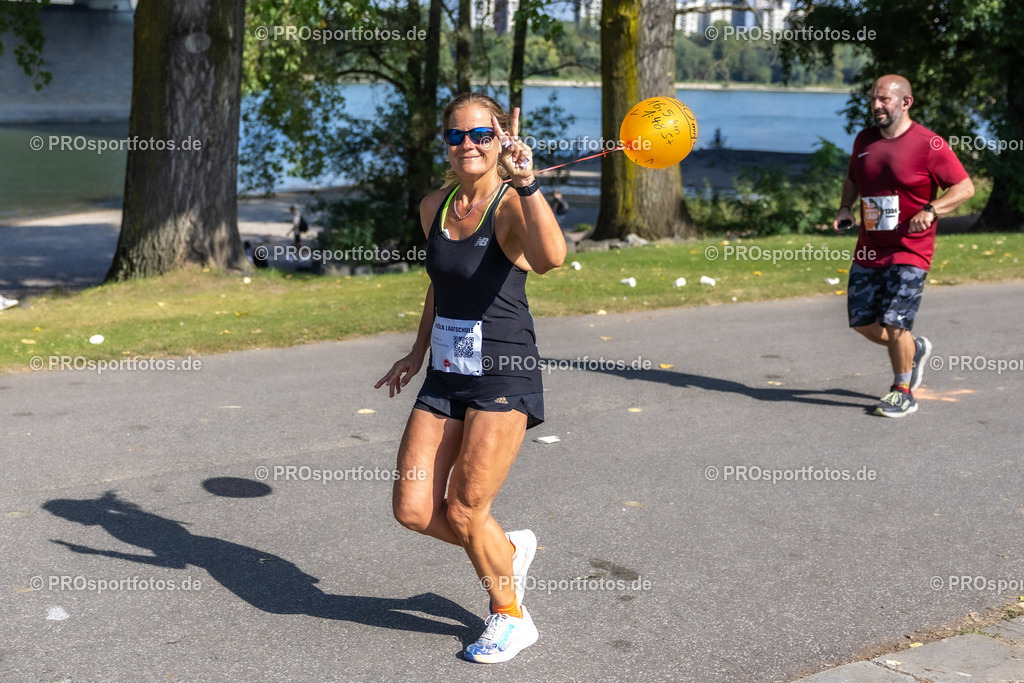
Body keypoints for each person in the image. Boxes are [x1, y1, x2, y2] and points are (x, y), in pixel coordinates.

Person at [375, 92, 565, 662]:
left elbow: (552, 257)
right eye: (457, 136)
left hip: (503, 372)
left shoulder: (511, 205)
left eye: (481, 135)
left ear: (500, 140)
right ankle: (504, 548)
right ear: (446, 144)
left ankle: (510, 615)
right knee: (412, 508)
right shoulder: (436, 204)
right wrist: (415, 351)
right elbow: (441, 282)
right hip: (446, 370)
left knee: (462, 508)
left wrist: (528, 182)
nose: (468, 146)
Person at [833, 74, 974, 417]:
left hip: (911, 249)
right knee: (863, 323)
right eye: (874, 99)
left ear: (906, 102)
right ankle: (915, 349)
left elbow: (965, 188)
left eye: (884, 99)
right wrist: (845, 207)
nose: (877, 105)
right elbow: (854, 177)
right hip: (870, 247)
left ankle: (902, 390)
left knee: (896, 322)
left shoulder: (930, 144)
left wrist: (932, 209)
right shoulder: (864, 139)